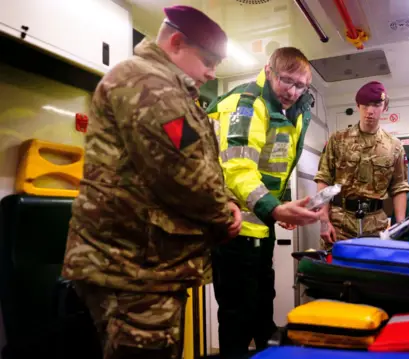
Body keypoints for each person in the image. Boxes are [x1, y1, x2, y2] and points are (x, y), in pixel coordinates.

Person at [61, 6, 241, 359]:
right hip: (132, 268)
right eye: (207, 60)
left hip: (144, 264)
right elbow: (183, 172)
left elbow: (192, 163)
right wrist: (224, 214)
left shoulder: (164, 84)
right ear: (176, 42)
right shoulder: (149, 84)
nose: (211, 72)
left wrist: (225, 202)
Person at [206, 47, 321, 356]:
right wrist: (273, 207)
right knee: (236, 315)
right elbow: (238, 169)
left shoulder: (292, 111)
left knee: (261, 305)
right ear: (269, 71)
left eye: (301, 86)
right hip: (233, 228)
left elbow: (276, 165)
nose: (293, 92)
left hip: (260, 230)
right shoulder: (246, 105)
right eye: (287, 81)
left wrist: (281, 205)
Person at [314, 81, 409, 249]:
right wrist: (323, 219)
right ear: (358, 105)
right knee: (336, 272)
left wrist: (400, 225)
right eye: (365, 105)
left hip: (376, 226)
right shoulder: (338, 140)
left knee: (372, 272)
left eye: (376, 105)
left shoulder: (394, 146)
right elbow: (324, 178)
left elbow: (399, 187)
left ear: (384, 107)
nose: (370, 111)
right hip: (340, 223)